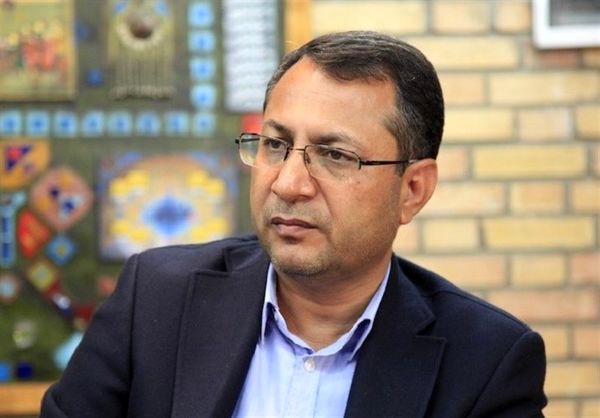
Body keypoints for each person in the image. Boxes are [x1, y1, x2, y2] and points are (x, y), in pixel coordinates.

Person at [41, 31, 547, 417]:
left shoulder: (486, 362)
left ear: (412, 189)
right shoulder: (155, 299)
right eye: (275, 145)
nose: (288, 183)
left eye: (335, 155)